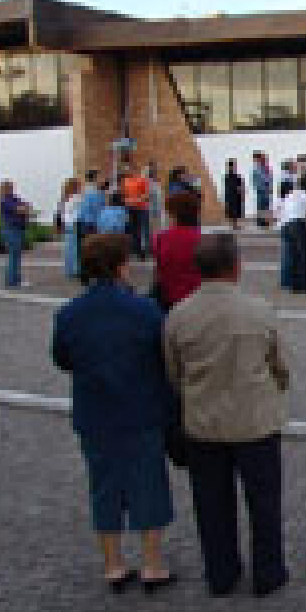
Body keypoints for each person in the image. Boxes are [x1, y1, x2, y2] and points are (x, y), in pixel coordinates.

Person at [163, 233, 290, 597]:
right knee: (264, 502)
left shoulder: (180, 315)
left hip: (204, 421)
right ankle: (268, 571)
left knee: (211, 504)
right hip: (254, 420)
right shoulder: (259, 311)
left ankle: (221, 573)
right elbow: (280, 365)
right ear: (237, 267)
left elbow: (173, 371)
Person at [51, 233, 176, 593]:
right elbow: (162, 356)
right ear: (120, 265)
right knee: (148, 483)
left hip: (96, 411)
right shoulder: (145, 310)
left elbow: (63, 360)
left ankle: (113, 564)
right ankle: (152, 564)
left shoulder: (69, 314)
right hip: (141, 407)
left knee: (103, 486)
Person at [152, 192, 202, 312]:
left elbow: (159, 270)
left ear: (173, 214)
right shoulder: (203, 239)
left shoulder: (160, 238)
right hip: (196, 299)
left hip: (169, 298)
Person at [276, 176, 306, 293]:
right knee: (303, 255)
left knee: (290, 255)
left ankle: (291, 284)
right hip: (297, 224)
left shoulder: (289, 195)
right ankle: (305, 284)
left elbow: (281, 212)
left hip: (285, 225)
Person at [0, 181, 32, 289]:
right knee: (14, 256)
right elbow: (21, 209)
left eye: (12, 187)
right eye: (9, 187)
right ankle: (13, 282)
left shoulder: (14, 198)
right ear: (5, 188)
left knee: (16, 256)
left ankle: (14, 280)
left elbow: (27, 206)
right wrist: (24, 209)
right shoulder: (5, 200)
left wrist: (25, 208)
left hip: (18, 229)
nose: (11, 188)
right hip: (11, 230)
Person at [120, 165, 151, 260]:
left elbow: (146, 195)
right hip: (130, 208)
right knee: (133, 230)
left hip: (141, 208)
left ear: (134, 170)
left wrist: (136, 200)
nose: (126, 172)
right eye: (125, 170)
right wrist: (126, 201)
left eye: (128, 169)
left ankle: (144, 251)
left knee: (142, 229)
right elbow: (123, 195)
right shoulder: (125, 181)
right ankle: (136, 250)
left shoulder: (142, 180)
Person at [59, 178, 83, 280]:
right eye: (79, 185)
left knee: (68, 248)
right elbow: (81, 210)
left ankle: (69, 270)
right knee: (75, 248)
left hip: (67, 224)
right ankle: (76, 270)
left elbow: (62, 213)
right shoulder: (77, 197)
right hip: (74, 223)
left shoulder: (65, 198)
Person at [252, 152, 273, 228]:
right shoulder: (256, 168)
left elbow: (270, 178)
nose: (265, 159)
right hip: (261, 190)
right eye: (263, 158)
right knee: (261, 206)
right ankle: (261, 221)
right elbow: (262, 179)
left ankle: (265, 221)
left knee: (266, 207)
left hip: (266, 189)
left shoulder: (265, 167)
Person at [224, 159, 245, 232]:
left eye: (234, 166)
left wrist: (242, 193)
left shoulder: (237, 176)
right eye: (233, 166)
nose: (233, 167)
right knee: (233, 210)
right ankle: (234, 225)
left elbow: (241, 186)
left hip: (236, 195)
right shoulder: (228, 177)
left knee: (236, 210)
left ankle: (235, 225)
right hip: (231, 195)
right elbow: (228, 187)